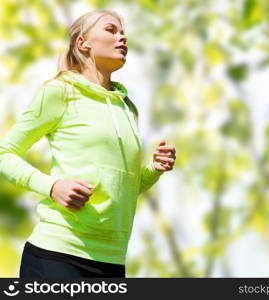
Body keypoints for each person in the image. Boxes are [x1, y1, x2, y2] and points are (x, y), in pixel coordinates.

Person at [0, 9, 176, 278]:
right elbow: (5, 154)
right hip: (58, 254)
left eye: (123, 32)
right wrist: (53, 186)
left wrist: (154, 169)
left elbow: (122, 187)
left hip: (112, 261)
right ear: (83, 42)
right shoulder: (61, 91)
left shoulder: (127, 108)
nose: (122, 37)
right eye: (111, 30)